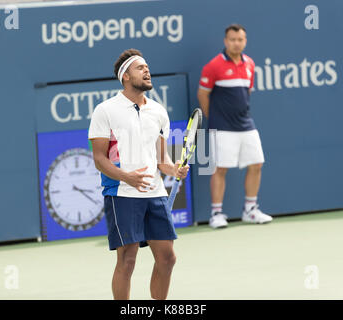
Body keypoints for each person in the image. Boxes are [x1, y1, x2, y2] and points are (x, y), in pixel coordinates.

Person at [88, 49, 189, 300]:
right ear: (125, 77)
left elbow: (160, 159)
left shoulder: (158, 111)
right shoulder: (105, 110)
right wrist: (126, 177)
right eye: (139, 67)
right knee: (127, 260)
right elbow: (99, 158)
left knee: (167, 258)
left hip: (155, 194)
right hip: (121, 193)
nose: (146, 70)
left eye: (147, 67)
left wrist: (173, 169)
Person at [197, 24, 273, 228]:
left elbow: (246, 93)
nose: (236, 43)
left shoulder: (250, 64)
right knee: (220, 169)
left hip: (246, 124)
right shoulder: (213, 66)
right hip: (222, 126)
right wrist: (213, 117)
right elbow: (203, 94)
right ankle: (216, 214)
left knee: (257, 164)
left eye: (240, 39)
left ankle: (250, 210)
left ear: (245, 41)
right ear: (225, 41)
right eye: (232, 39)